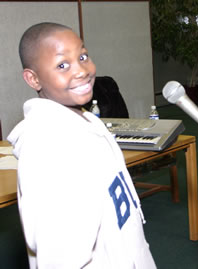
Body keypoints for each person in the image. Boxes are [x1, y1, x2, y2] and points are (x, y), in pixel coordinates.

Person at [7, 22, 156, 269]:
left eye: (83, 56)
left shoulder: (86, 120)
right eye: (62, 65)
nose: (81, 71)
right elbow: (60, 256)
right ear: (33, 79)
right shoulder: (48, 147)